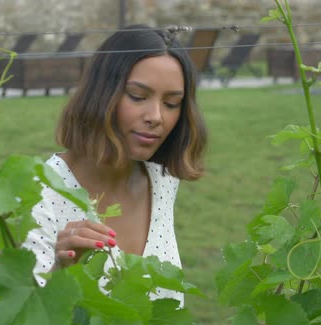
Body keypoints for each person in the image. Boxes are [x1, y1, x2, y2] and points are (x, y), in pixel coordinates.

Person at [22, 24, 208, 304]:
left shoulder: (162, 180)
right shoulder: (38, 193)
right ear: (101, 93)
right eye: (138, 96)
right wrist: (61, 272)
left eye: (172, 103)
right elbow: (23, 318)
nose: (156, 116)